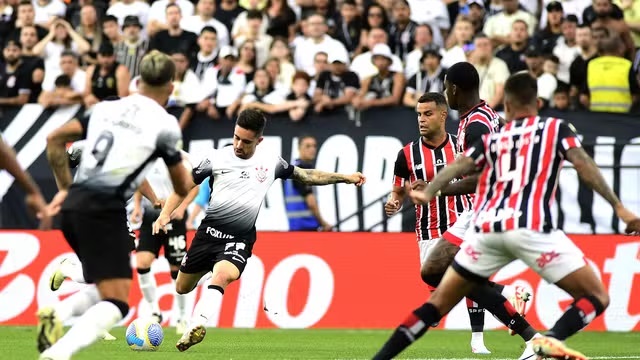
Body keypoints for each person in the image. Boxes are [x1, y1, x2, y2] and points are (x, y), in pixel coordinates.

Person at [373, 72, 640, 360]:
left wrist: (431, 191)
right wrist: (618, 207)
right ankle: (548, 339)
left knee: (434, 302)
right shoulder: (555, 128)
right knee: (596, 297)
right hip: (531, 226)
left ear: (508, 107)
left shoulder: (493, 138)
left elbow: (459, 165)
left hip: (488, 228)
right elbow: (583, 165)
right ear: (537, 102)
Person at [151, 108, 366, 352]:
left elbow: (306, 175)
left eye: (246, 141)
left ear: (259, 141)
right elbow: (183, 187)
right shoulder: (216, 158)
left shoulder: (270, 162)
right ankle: (202, 299)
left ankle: (197, 324)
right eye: (236, 137)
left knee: (222, 275)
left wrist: (345, 177)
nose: (238, 145)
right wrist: (165, 214)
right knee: (182, 287)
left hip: (239, 238)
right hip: (207, 235)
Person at [36, 50, 193, 360]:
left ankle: (58, 315)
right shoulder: (165, 124)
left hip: (75, 204)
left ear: (138, 82)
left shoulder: (105, 108)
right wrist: (182, 185)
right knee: (118, 303)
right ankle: (56, 347)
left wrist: (66, 190)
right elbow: (182, 184)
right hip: (104, 210)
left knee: (105, 286)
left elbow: (54, 139)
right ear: (171, 87)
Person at [386, 92, 538, 359]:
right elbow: (397, 191)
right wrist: (394, 203)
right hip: (429, 230)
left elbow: (481, 177)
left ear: (443, 115)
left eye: (427, 113)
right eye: (418, 114)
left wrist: (437, 189)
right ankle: (511, 298)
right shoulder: (406, 154)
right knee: (450, 288)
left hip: (461, 223)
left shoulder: (461, 145)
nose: (421, 119)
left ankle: (503, 336)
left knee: (460, 284)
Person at [284, 135, 332, 231]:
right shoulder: (302, 170)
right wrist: (323, 223)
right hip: (306, 227)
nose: (312, 149)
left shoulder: (293, 168)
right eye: (308, 146)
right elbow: (311, 202)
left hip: (295, 226)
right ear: (299, 148)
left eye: (314, 146)